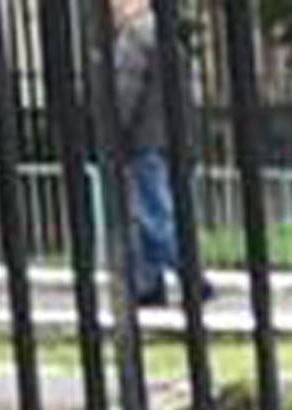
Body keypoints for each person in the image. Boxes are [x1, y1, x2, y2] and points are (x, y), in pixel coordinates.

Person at [104, 0, 184, 310]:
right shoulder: (163, 33)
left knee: (154, 215)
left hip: (145, 138)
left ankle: (190, 275)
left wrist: (112, 132)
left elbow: (125, 92)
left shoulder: (134, 37)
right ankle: (148, 283)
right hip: (168, 137)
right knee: (153, 210)